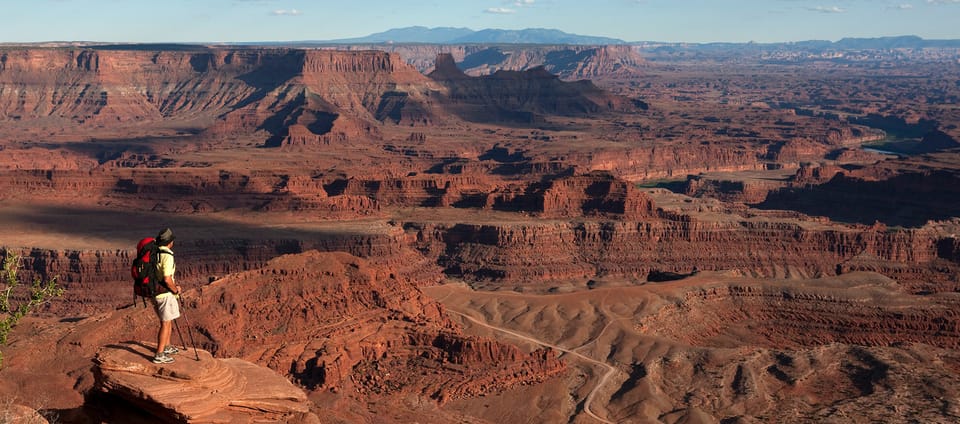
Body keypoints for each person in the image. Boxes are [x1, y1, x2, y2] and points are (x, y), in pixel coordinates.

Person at [152, 228, 182, 364]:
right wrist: (175, 290)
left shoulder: (155, 252)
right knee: (165, 323)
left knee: (167, 320)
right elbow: (167, 278)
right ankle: (159, 354)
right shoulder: (167, 256)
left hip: (154, 292)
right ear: (170, 242)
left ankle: (167, 346)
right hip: (164, 293)